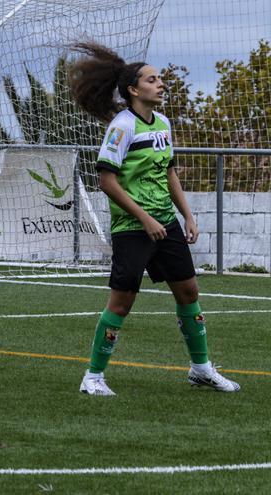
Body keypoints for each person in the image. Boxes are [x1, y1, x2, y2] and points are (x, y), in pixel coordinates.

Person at [68, 42, 239, 395]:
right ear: (133, 89)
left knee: (189, 290)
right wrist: (144, 219)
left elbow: (169, 172)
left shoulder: (162, 123)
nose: (161, 83)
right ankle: (93, 377)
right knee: (122, 302)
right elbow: (106, 180)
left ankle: (201, 369)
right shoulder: (121, 127)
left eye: (160, 78)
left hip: (165, 222)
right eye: (152, 79)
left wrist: (186, 215)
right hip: (133, 227)